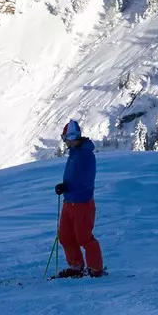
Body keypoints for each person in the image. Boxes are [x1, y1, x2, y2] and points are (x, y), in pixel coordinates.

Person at [52, 119, 105, 278]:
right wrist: (66, 186)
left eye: (66, 139)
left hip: (82, 203)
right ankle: (76, 266)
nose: (65, 142)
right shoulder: (75, 153)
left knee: (84, 238)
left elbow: (85, 181)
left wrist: (68, 187)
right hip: (70, 202)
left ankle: (96, 269)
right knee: (66, 236)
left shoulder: (85, 155)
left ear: (72, 137)